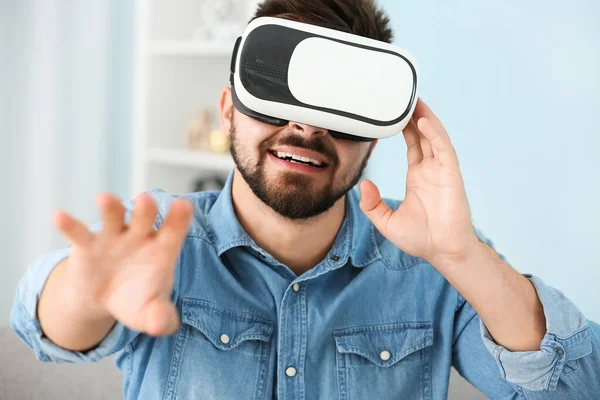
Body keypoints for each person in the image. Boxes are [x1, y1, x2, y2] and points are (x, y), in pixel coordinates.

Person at [11, 1, 600, 399]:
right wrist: (85, 295)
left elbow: (575, 384)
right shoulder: (161, 238)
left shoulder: (437, 268)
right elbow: (42, 323)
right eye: (276, 91)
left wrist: (462, 254)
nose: (305, 125)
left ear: (372, 141)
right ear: (227, 110)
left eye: (338, 110)